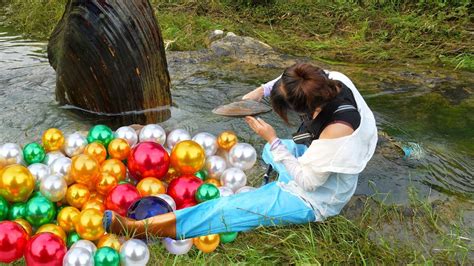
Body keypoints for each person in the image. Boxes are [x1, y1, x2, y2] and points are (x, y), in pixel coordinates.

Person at [103, 63, 378, 240]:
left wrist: (273, 140)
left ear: (305, 107)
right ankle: (273, 184)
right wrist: (256, 94)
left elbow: (309, 181)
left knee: (226, 208)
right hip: (313, 157)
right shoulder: (330, 80)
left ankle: (137, 228)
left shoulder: (338, 128)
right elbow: (285, 83)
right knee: (271, 155)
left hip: (317, 195)